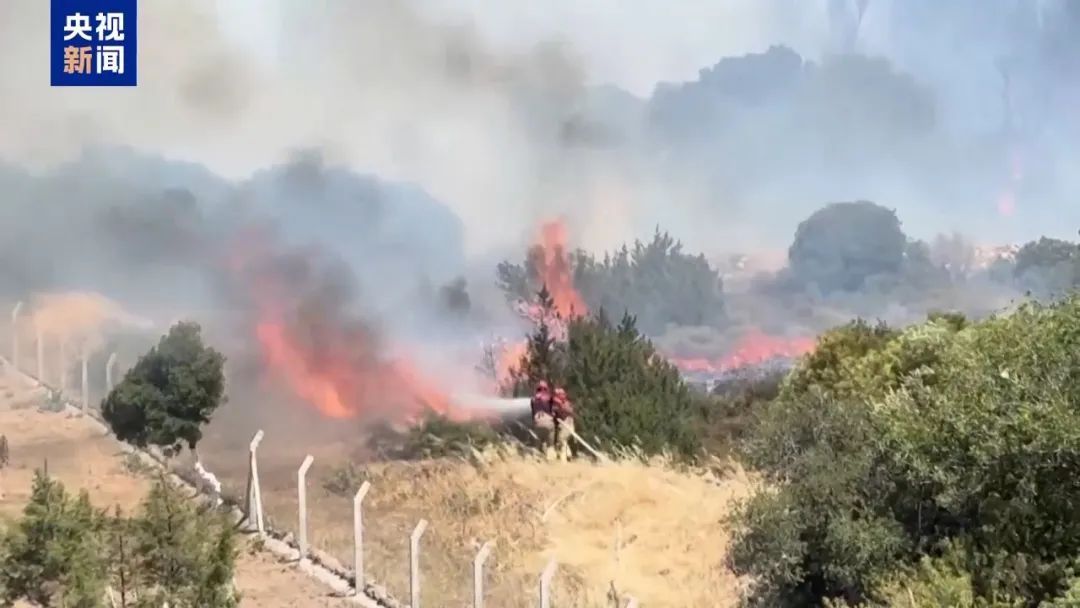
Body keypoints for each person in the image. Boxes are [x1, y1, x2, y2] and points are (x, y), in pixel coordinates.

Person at [530, 381, 556, 460]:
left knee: (537, 440)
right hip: (548, 421)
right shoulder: (549, 397)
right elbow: (553, 411)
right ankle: (550, 456)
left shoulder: (533, 399)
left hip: (537, 421)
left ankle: (536, 457)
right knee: (550, 438)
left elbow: (533, 412)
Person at [551, 387, 575, 462]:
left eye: (559, 394)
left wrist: (559, 407)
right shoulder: (558, 403)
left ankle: (564, 459)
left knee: (561, 439)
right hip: (564, 425)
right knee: (562, 441)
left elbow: (568, 411)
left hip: (567, 424)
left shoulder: (565, 403)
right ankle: (568, 455)